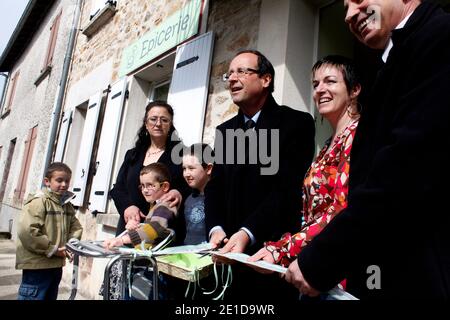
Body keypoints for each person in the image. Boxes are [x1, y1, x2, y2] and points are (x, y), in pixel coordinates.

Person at [286, 0, 450, 299]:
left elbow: (405, 170)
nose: (349, 14)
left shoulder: (437, 37)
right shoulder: (395, 57)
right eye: (345, 6)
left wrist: (321, 257)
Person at [205, 49, 315, 299]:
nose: (232, 78)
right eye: (229, 73)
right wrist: (216, 229)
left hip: (267, 260)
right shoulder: (226, 131)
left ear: (266, 80)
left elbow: (287, 189)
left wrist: (248, 232)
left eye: (242, 71)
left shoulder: (296, 123)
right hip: (226, 261)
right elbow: (216, 186)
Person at [249, 56, 361, 290]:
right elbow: (311, 214)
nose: (320, 90)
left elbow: (341, 208)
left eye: (330, 82)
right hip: (318, 265)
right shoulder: (329, 144)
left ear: (354, 90)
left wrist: (281, 249)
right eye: (315, 84)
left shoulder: (357, 135)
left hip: (344, 270)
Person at [106, 101, 189, 299]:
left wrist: (178, 192)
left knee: (148, 292)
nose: (158, 123)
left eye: (164, 119)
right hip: (129, 226)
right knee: (123, 289)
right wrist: (128, 207)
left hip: (159, 231)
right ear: (145, 123)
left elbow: (190, 182)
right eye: (153, 119)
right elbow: (117, 189)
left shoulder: (181, 153)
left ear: (170, 124)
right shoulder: (132, 155)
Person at [16, 162, 83, 300]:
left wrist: (71, 245)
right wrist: (53, 249)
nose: (64, 184)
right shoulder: (39, 202)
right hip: (37, 265)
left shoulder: (66, 205)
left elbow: (76, 227)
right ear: (47, 181)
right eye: (59, 180)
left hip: (55, 265)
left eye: (67, 181)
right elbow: (27, 232)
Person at [104, 163, 177, 250]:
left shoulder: (165, 206)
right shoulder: (156, 205)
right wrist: (134, 228)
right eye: (142, 186)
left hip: (158, 260)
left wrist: (123, 239)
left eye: (150, 185)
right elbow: (149, 233)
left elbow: (155, 229)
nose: (145, 190)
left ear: (165, 186)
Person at [182, 143, 214, 245]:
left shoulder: (220, 199)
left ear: (208, 168)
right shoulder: (188, 199)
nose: (186, 174)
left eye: (191, 168)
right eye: (184, 168)